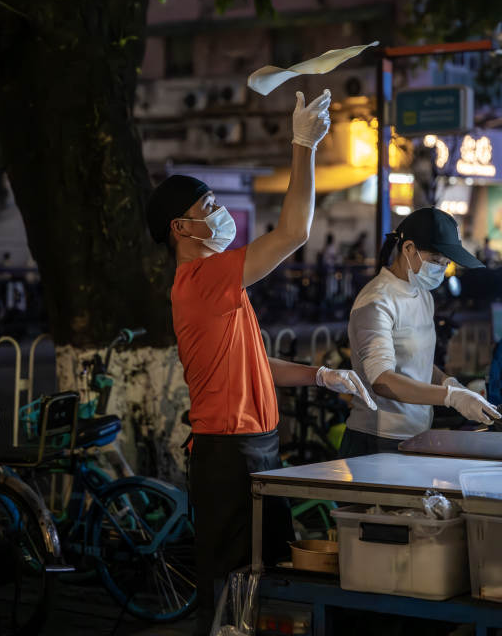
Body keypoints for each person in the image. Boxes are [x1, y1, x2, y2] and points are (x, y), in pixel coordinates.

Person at [146, 88, 376, 636]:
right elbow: (294, 233)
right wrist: (304, 147)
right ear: (181, 229)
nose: (220, 214)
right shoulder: (200, 280)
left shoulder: (220, 283)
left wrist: (320, 376)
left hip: (257, 445)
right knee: (230, 592)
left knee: (265, 582)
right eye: (208, 208)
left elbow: (255, 363)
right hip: (227, 454)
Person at [339, 207, 501, 458]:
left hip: (415, 435)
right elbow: (382, 380)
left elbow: (417, 362)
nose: (442, 268)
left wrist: (449, 382)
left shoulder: (423, 294)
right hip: (377, 440)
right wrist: (450, 397)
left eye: (447, 263)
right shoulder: (376, 301)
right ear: (408, 249)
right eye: (437, 260)